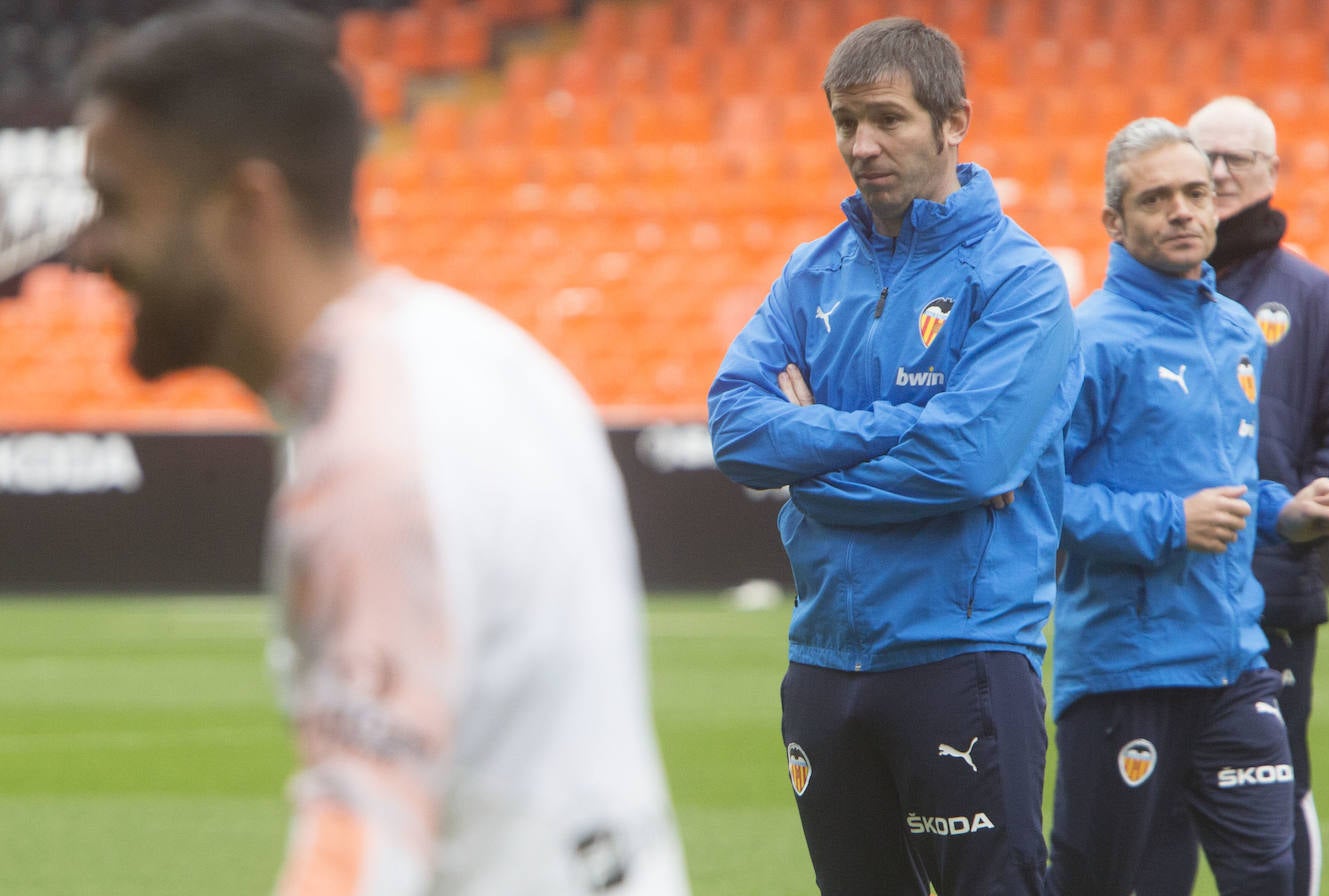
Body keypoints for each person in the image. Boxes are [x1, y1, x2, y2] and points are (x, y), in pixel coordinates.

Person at [72, 6, 690, 894]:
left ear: (247, 208)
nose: (87, 251)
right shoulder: (472, 353)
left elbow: (363, 843)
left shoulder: (374, 457)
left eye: (116, 203)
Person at [708, 17, 1082, 896]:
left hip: (960, 656)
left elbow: (969, 461)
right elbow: (733, 426)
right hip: (823, 662)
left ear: (954, 121)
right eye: (845, 122)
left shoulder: (1019, 278)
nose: (861, 145)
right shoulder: (810, 270)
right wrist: (886, 428)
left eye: (888, 119)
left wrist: (808, 464)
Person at [1045, 117, 1329, 896]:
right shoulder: (1086, 340)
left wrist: (1285, 512)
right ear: (1114, 222)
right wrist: (1171, 525)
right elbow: (1041, 499)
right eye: (1156, 199)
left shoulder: (1238, 332)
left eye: (1196, 193)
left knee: (1269, 876)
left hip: (1234, 659)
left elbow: (1233, 483)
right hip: (1125, 672)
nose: (1183, 210)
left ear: (1217, 209)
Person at [1133, 95, 1329, 896]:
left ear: (1274, 174)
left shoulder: (1317, 298)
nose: (1225, 171)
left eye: (1243, 158)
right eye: (1210, 156)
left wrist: (1316, 500)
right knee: (1151, 802)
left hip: (1272, 589)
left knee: (1277, 787)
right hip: (1155, 588)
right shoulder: (1142, 303)